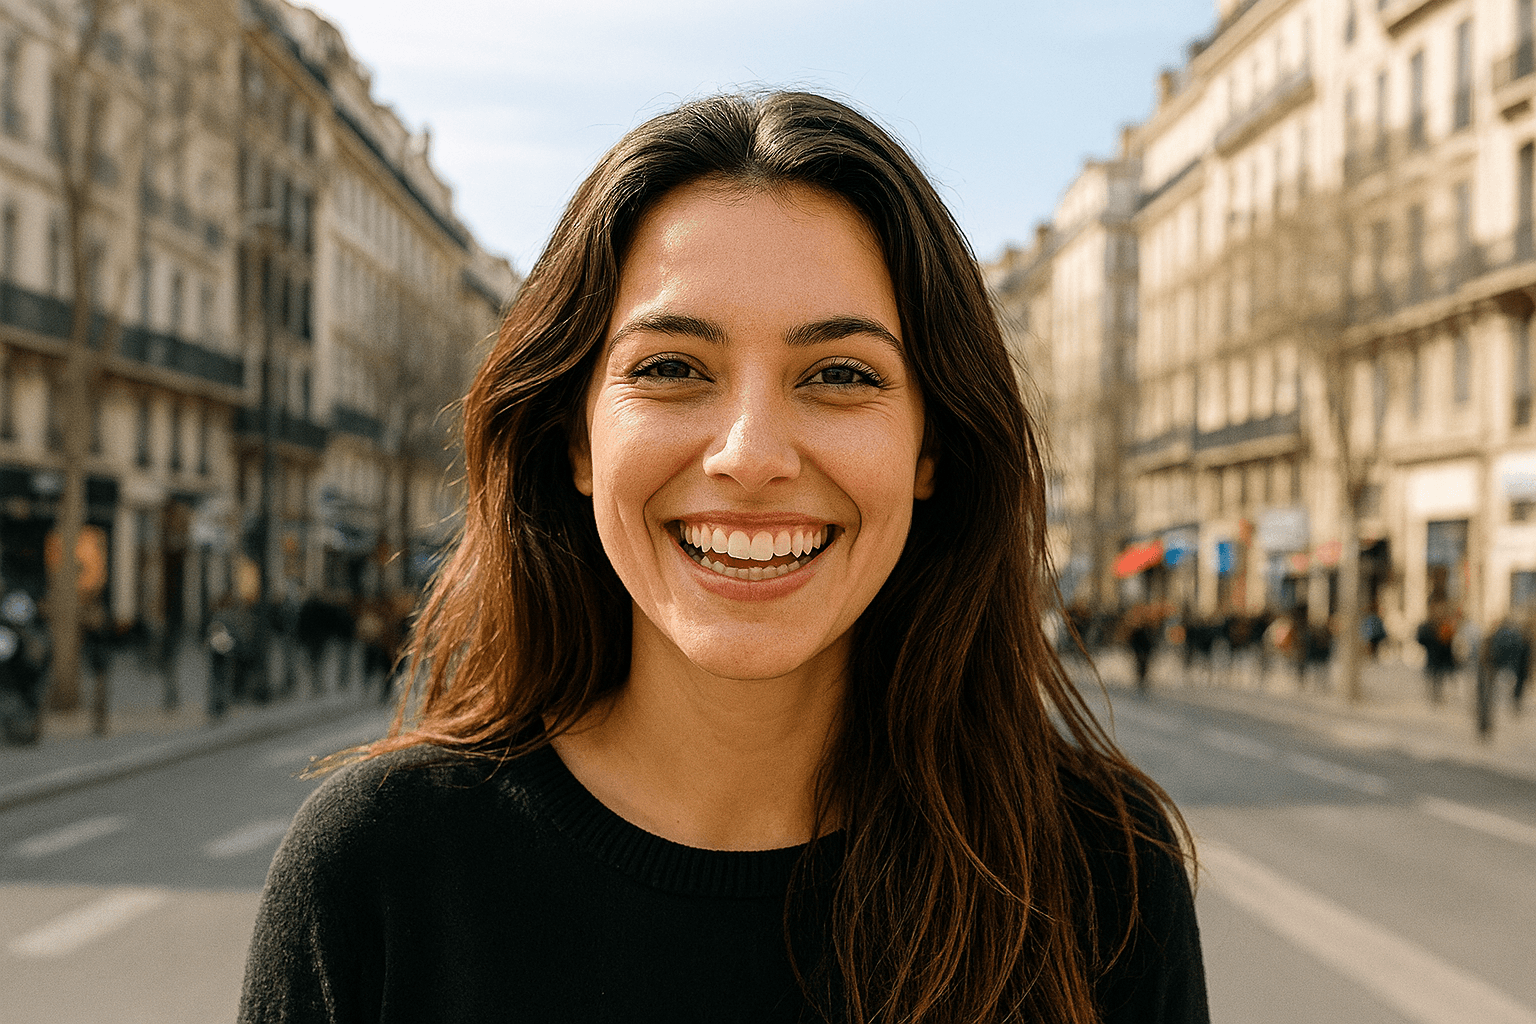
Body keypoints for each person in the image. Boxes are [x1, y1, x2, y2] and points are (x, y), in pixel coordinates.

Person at [239, 91, 1207, 1024]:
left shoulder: (1101, 880)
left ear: (931, 450)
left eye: (839, 374)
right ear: (577, 439)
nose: (749, 454)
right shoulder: (377, 871)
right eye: (670, 368)